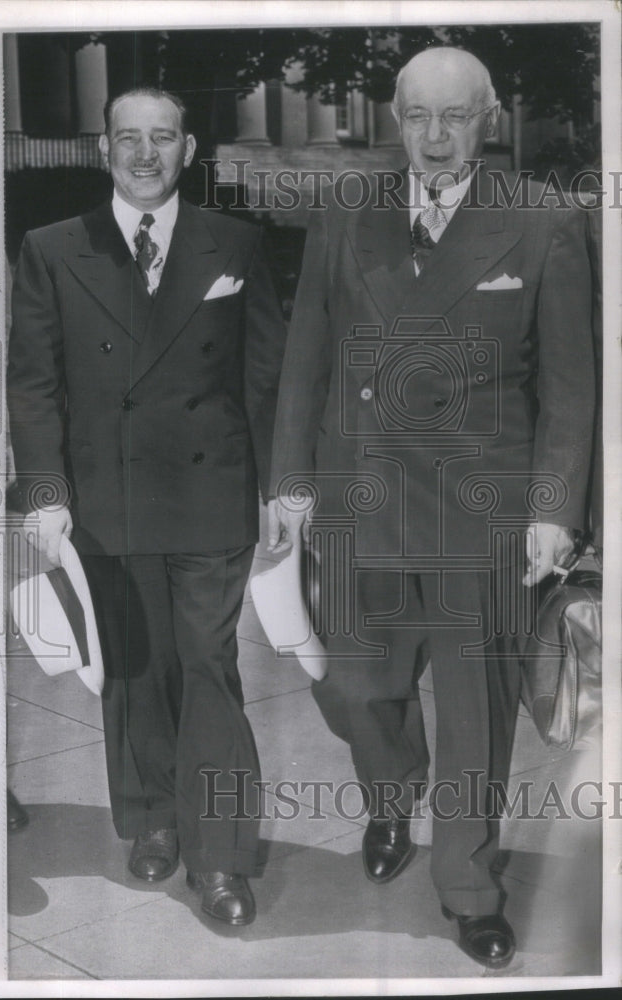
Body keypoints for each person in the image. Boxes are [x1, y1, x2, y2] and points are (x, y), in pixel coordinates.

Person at [268, 47, 594, 967]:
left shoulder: (543, 221)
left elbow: (570, 387)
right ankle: (390, 790)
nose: (437, 136)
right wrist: (290, 482)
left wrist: (553, 508)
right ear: (397, 120)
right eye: (419, 117)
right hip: (363, 498)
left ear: (487, 119)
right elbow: (307, 359)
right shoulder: (347, 217)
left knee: (474, 716)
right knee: (357, 686)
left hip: (481, 513)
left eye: (456, 117)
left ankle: (469, 887)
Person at [7, 87, 287, 926]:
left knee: (206, 665)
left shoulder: (236, 242)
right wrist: (47, 493)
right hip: (108, 495)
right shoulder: (53, 249)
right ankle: (152, 818)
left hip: (211, 494)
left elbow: (265, 378)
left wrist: (282, 486)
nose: (143, 154)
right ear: (105, 149)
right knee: (135, 668)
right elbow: (34, 384)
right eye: (127, 138)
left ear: (189, 148)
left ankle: (221, 857)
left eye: (161, 138)